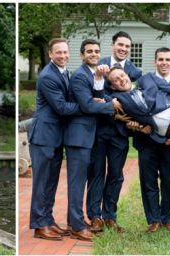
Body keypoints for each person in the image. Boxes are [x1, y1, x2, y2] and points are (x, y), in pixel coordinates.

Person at [86, 31, 141, 234]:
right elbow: (91, 95)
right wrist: (111, 103)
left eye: (127, 46)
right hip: (100, 130)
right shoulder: (97, 65)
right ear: (113, 45)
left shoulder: (136, 72)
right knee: (96, 173)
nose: (123, 48)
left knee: (116, 175)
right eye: (120, 44)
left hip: (120, 133)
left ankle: (110, 216)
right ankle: (95, 217)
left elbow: (136, 99)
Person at [29, 38, 79, 241]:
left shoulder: (65, 72)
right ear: (50, 54)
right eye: (59, 52)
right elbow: (61, 107)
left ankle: (48, 220)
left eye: (66, 52)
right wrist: (87, 105)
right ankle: (39, 225)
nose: (63, 56)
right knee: (41, 182)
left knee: (51, 182)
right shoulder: (48, 76)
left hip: (56, 137)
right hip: (44, 137)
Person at [65, 39, 116, 241]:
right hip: (78, 137)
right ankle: (77, 226)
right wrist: (114, 106)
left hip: (88, 136)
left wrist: (99, 85)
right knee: (77, 183)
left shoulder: (92, 74)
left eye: (96, 51)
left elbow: (97, 97)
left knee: (80, 182)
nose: (94, 54)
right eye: (89, 51)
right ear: (82, 55)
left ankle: (73, 221)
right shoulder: (79, 76)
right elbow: (87, 106)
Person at [132, 47, 170, 233]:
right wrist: (138, 125)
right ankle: (153, 219)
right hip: (146, 140)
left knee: (169, 180)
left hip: (169, 142)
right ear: (155, 61)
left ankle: (168, 218)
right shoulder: (144, 81)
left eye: (167, 59)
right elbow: (133, 104)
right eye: (160, 59)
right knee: (149, 180)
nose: (164, 62)